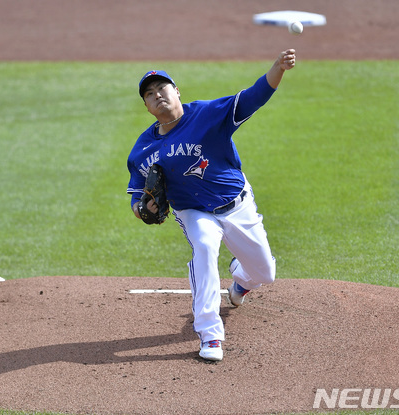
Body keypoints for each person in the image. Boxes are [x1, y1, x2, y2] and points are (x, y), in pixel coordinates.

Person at [126, 49, 296, 361]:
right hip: (193, 211)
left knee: (265, 274)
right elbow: (138, 198)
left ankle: (242, 280)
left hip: (237, 204)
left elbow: (253, 97)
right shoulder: (142, 150)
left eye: (162, 88)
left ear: (176, 92)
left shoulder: (207, 114)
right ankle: (210, 334)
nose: (157, 95)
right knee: (203, 247)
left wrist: (278, 68)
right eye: (149, 95)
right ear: (148, 107)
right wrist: (142, 211)